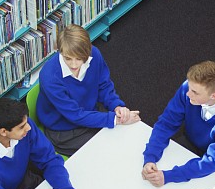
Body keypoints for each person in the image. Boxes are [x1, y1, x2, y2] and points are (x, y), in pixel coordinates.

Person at [142, 61, 215, 187]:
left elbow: (214, 160)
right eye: (189, 88)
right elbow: (166, 123)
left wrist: (169, 176)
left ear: (213, 96)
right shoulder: (187, 89)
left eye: (195, 92)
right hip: (193, 141)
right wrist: (150, 156)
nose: (188, 94)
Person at [37, 24, 140, 156]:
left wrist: (116, 106)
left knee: (125, 134)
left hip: (90, 111)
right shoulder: (49, 77)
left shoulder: (94, 54)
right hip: (64, 129)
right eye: (67, 58)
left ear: (87, 51)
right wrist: (115, 119)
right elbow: (75, 115)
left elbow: (104, 85)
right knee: (106, 150)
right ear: (60, 51)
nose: (74, 64)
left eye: (79, 59)